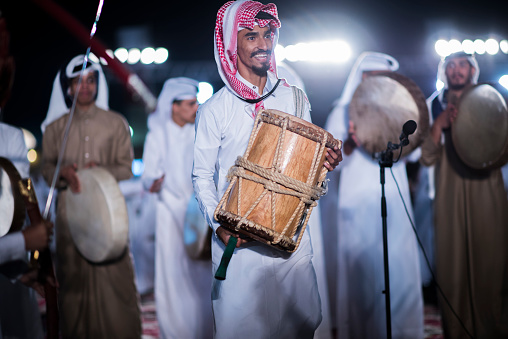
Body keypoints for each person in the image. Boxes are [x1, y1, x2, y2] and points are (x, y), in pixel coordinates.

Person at [192, 1, 342, 338]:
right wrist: (219, 226)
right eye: (251, 37)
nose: (263, 44)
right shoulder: (215, 109)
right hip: (238, 243)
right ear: (232, 44)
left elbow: (309, 162)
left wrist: (327, 159)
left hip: (289, 242)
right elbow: (201, 176)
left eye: (268, 34)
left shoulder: (293, 97)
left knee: (300, 325)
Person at [41, 54, 142, 339]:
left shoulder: (116, 123)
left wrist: (102, 171)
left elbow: (125, 168)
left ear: (97, 84)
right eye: (78, 82)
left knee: (116, 279)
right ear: (69, 87)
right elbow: (47, 169)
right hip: (69, 217)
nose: (85, 87)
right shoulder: (54, 129)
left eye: (90, 80)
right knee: (72, 282)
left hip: (108, 216)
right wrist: (64, 173)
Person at [324, 51, 424, 339]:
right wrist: (354, 143)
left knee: (398, 264)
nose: (375, 83)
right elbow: (329, 160)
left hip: (394, 196)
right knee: (362, 272)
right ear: (360, 79)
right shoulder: (341, 111)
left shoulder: (401, 108)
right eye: (370, 77)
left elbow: (414, 153)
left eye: (381, 78)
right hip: (355, 201)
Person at [420, 51, 508, 338]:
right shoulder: (434, 106)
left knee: (490, 263)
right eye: (451, 66)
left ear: (473, 70)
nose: (456, 71)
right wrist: (439, 125)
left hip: (486, 190)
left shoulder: (491, 98)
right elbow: (426, 158)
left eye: (462, 65)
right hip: (449, 193)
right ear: (444, 72)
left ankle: (492, 329)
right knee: (452, 268)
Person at [141, 77, 213, 339]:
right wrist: (154, 181)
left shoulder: (200, 131)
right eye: (190, 103)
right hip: (169, 213)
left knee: (201, 274)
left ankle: (203, 329)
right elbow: (148, 174)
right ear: (174, 106)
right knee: (173, 274)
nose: (196, 108)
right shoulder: (157, 134)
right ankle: (176, 332)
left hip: (197, 214)